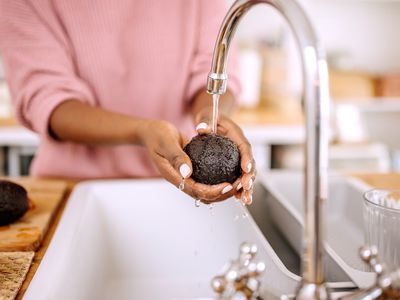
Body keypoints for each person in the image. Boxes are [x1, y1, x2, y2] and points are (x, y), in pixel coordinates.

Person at [0, 0, 255, 204]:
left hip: (176, 188)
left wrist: (210, 116)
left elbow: (214, 72)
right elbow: (48, 100)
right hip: (73, 189)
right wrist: (143, 131)